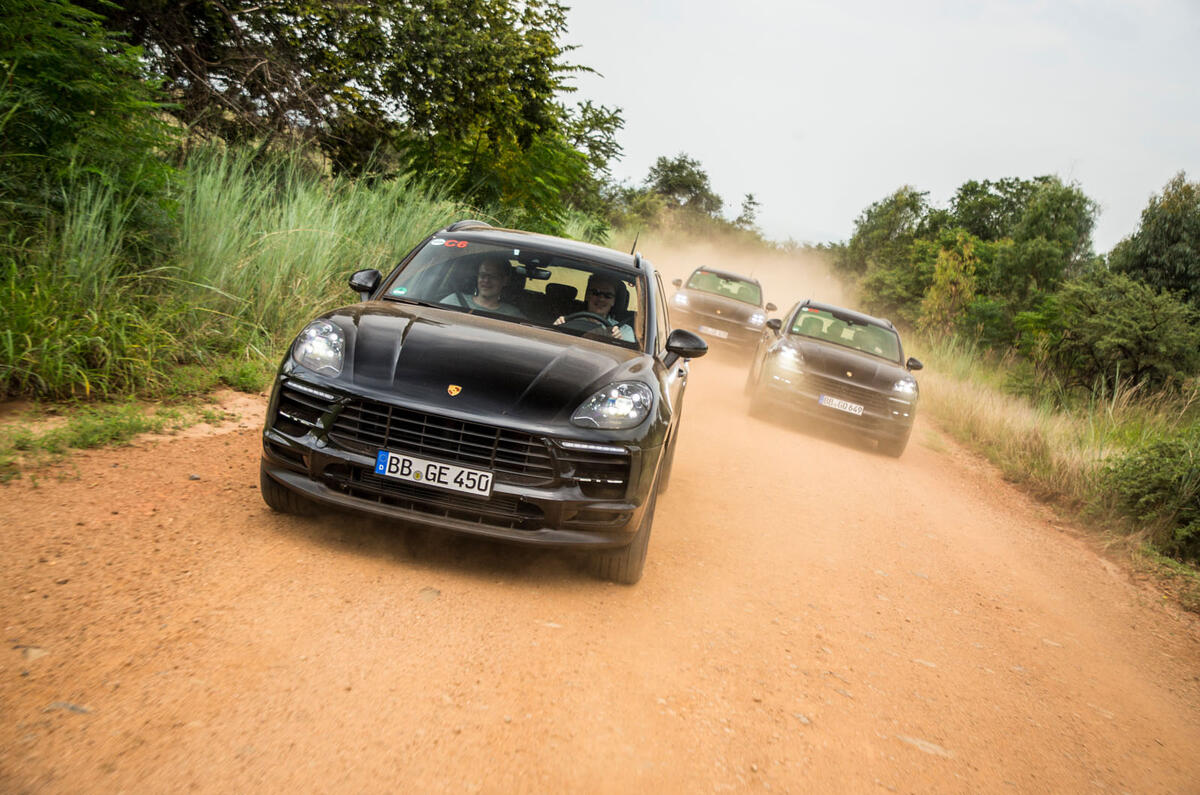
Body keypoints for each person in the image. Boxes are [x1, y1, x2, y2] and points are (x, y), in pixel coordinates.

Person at [554, 274, 635, 342]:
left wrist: (618, 341)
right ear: (587, 296)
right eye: (595, 293)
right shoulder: (569, 321)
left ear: (614, 301)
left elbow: (627, 358)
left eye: (608, 296)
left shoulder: (625, 330)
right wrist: (556, 328)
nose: (601, 299)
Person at [441, 256, 523, 317]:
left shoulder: (512, 315)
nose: (486, 280)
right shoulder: (453, 301)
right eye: (482, 275)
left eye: (492, 276)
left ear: (505, 281)